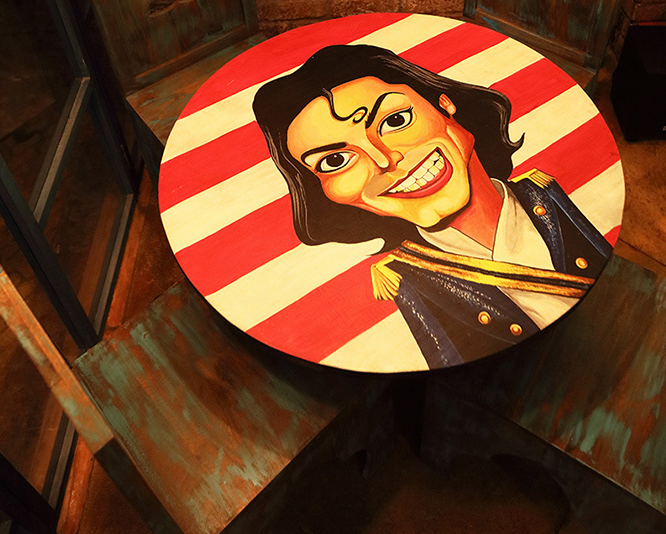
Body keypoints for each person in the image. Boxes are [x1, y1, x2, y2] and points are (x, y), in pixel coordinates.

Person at [253, 43, 612, 368]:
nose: (385, 161)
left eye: (395, 120)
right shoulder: (403, 281)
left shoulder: (544, 193)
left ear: (444, 104)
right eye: (335, 161)